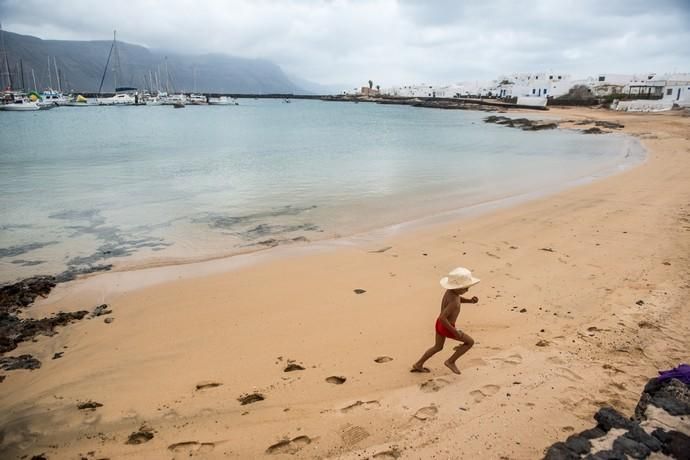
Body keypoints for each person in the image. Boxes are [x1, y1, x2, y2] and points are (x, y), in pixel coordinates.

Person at [412, 267, 480, 375]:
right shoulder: (454, 301)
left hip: (439, 325)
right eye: (465, 288)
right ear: (457, 287)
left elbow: (458, 299)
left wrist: (470, 301)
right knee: (469, 342)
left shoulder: (451, 292)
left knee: (437, 347)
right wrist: (454, 331)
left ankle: (418, 364)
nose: (467, 290)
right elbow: (442, 318)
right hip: (446, 326)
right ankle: (451, 361)